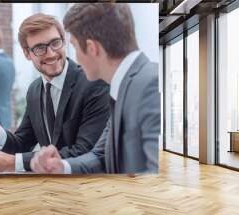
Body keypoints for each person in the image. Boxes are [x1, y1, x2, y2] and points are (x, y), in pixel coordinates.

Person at [0, 13, 110, 173]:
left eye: (55, 43)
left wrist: (13, 163)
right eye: (39, 48)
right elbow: (22, 143)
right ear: (26, 53)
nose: (51, 53)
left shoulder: (94, 84)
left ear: (64, 42)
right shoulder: (34, 90)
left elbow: (83, 153)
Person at [30, 3, 160, 174]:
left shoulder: (149, 83)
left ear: (92, 48)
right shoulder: (122, 88)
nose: (74, 57)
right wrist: (62, 166)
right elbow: (100, 155)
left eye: (75, 47)